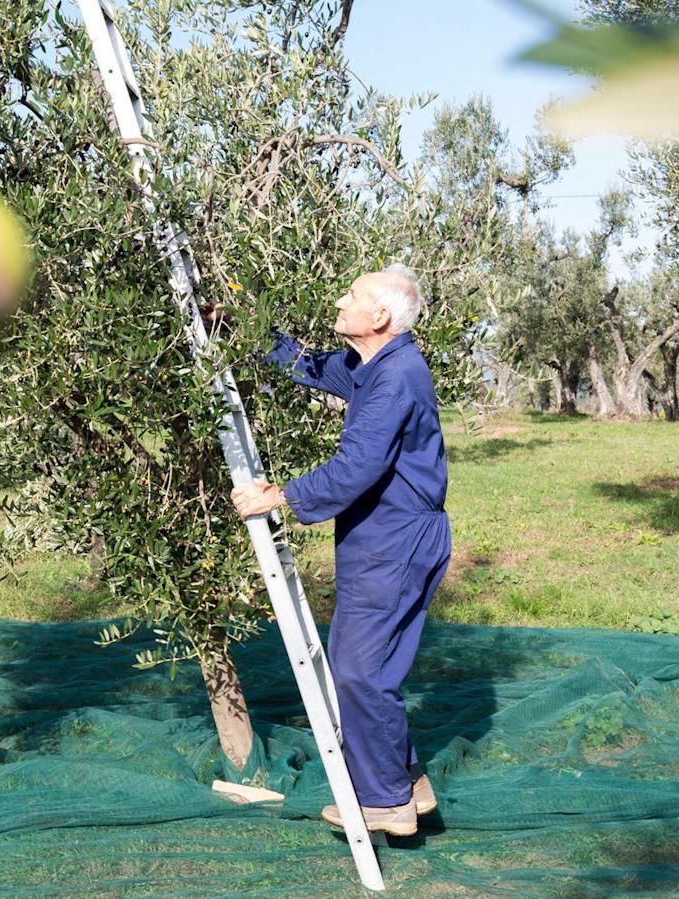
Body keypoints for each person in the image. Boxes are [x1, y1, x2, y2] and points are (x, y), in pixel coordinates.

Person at [229, 263, 451, 837]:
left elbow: (358, 466)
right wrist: (246, 333)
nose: (339, 300)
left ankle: (385, 804)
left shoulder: (395, 378)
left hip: (393, 540)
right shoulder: (378, 364)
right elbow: (320, 368)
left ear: (379, 316)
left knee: (358, 671)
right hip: (391, 536)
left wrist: (279, 497)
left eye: (350, 295)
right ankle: (406, 781)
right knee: (372, 667)